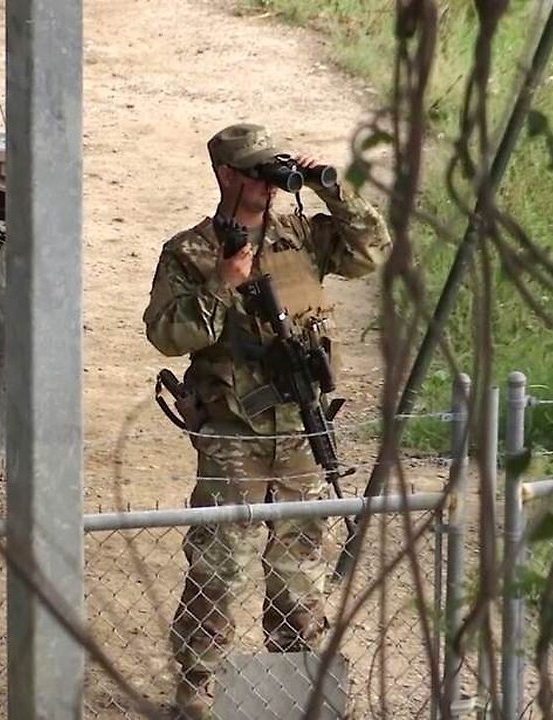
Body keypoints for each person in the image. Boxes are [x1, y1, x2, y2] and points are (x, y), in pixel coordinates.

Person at [142, 122, 391, 716]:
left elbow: (371, 248)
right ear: (227, 175)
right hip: (234, 433)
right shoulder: (190, 252)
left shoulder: (299, 235)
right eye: (255, 173)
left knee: (298, 561)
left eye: (270, 173)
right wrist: (221, 288)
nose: (266, 184)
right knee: (219, 561)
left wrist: (329, 186)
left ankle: (291, 679)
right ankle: (197, 685)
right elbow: (167, 334)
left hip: (301, 424)